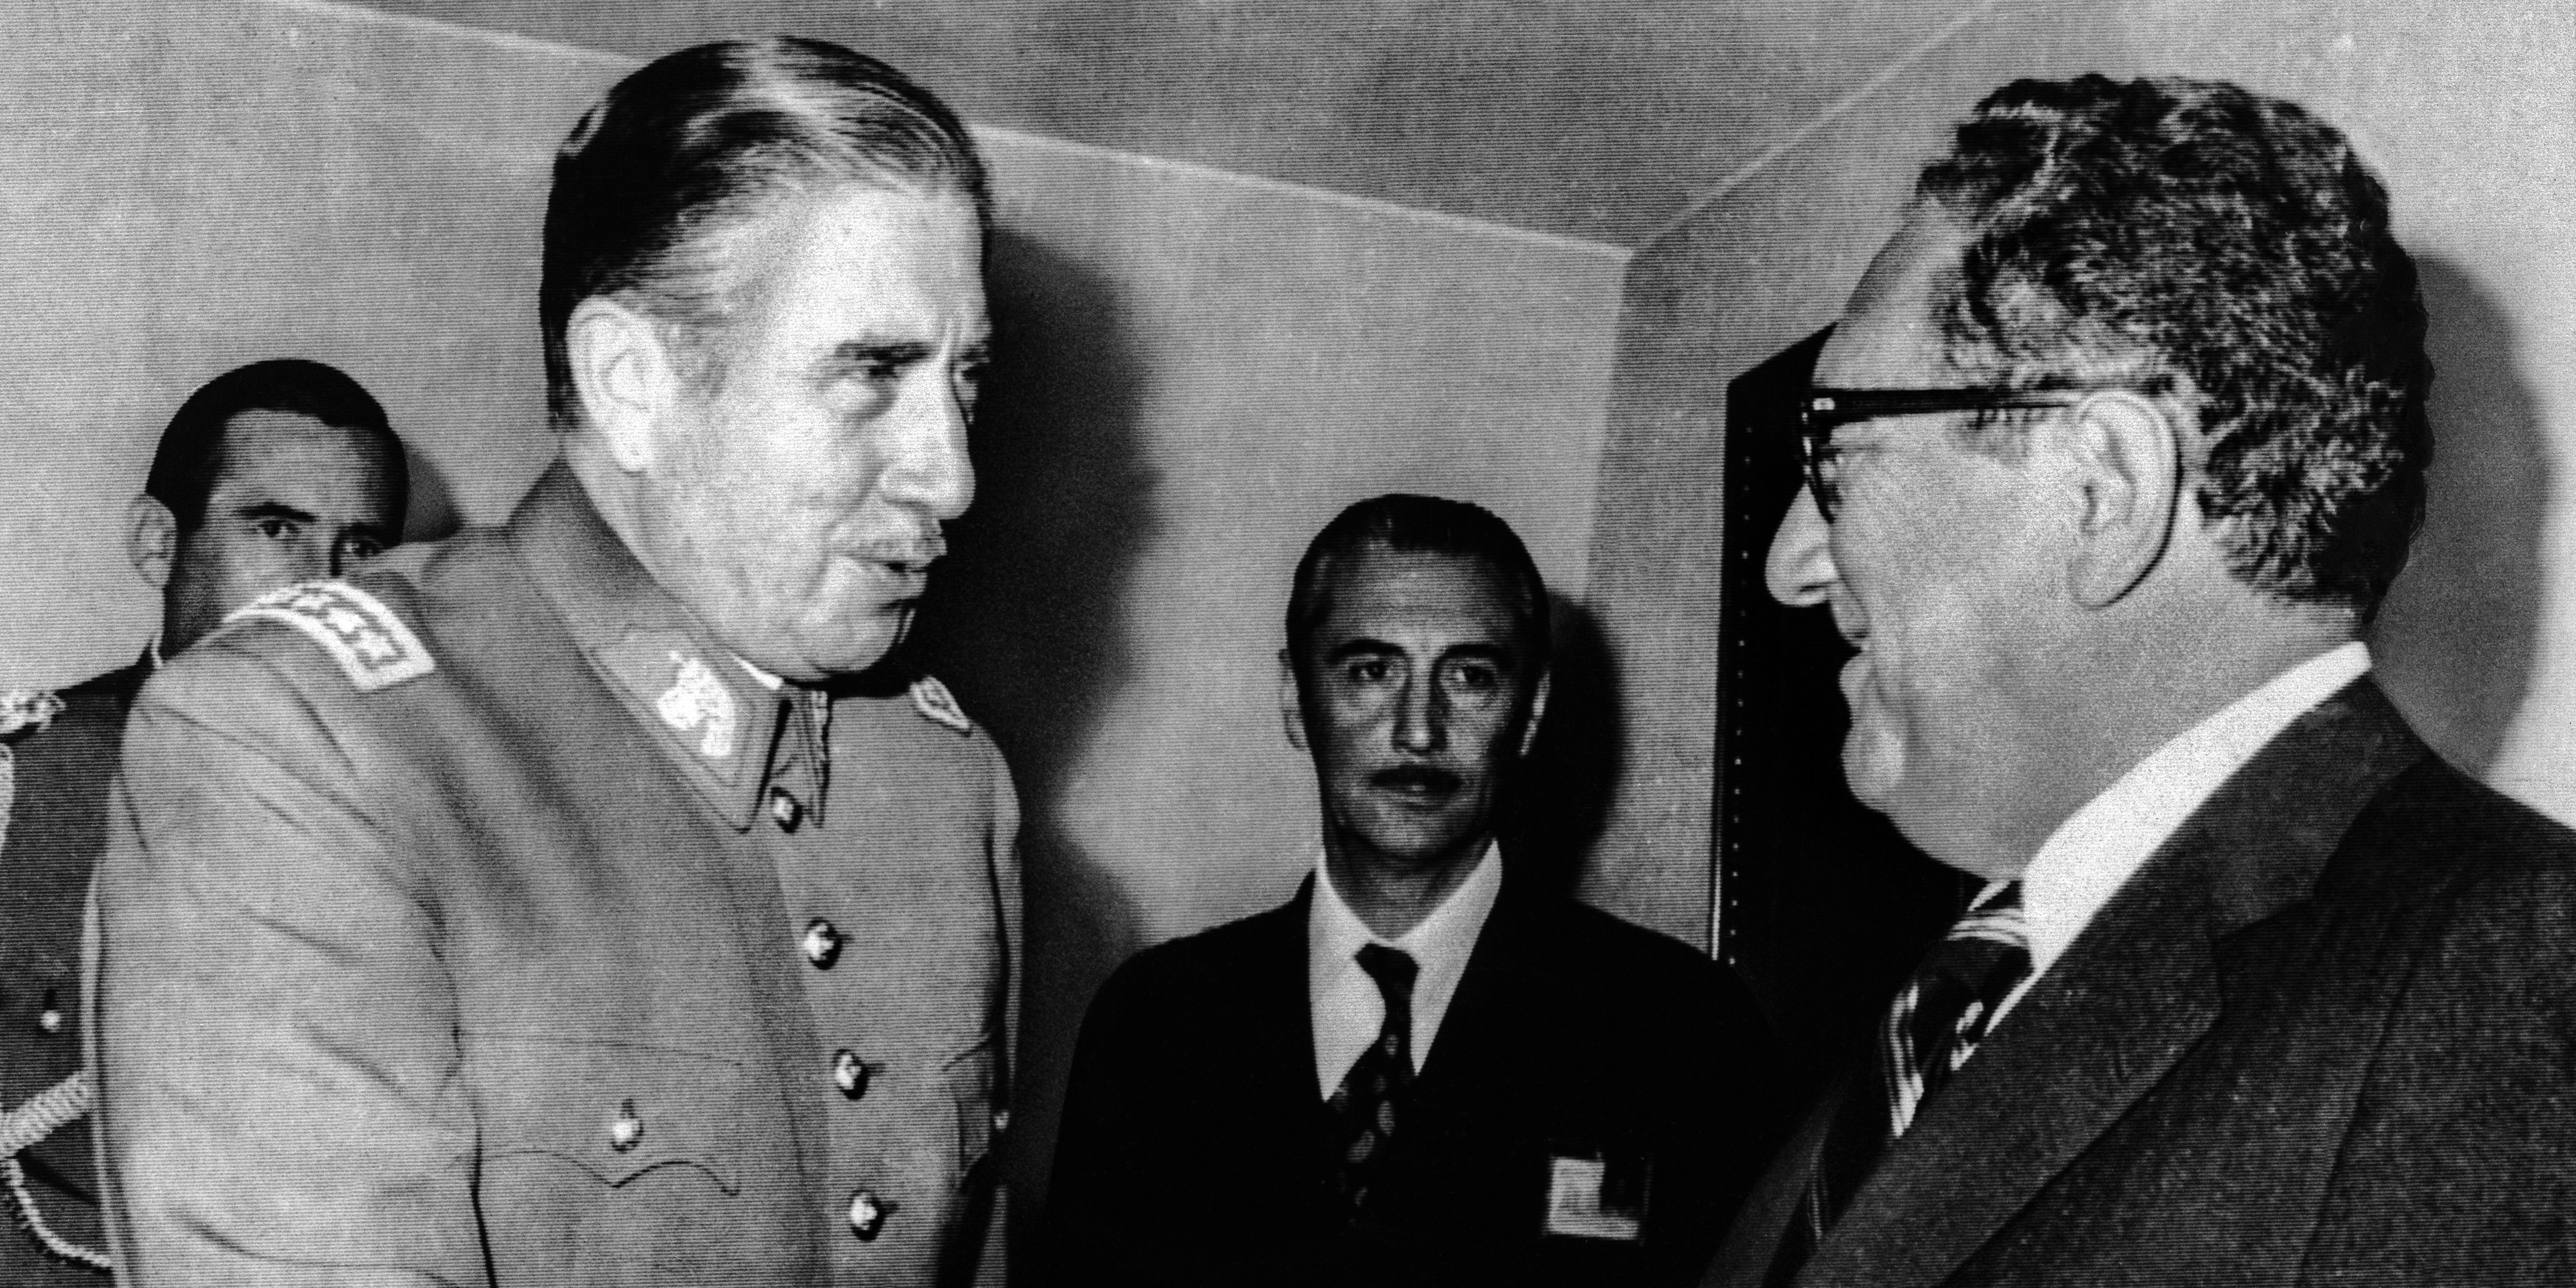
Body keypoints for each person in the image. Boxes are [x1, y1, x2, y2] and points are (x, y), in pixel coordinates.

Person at [90, 38, 1018, 1287]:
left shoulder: (941, 785)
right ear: (631, 383)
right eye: (871, 374)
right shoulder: (301, 740)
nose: (952, 475)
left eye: (964, 381)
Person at [1708, 75, 2576, 1288]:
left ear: (2104, 488)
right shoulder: (1955, 1003)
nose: (1790, 560)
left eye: (1834, 455)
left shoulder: (2513, 979)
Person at [1047, 494, 1777, 1288]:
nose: (1419, 731)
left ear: (1530, 714)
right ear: (1297, 699)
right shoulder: (1156, 1026)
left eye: (1469, 677)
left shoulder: (1682, 1033)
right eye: (1371, 670)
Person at [0, 358, 405, 1285]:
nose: (326, 588)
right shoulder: (29, 786)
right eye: (275, 529)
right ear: (159, 543)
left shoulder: (433, 807)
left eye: (364, 549)